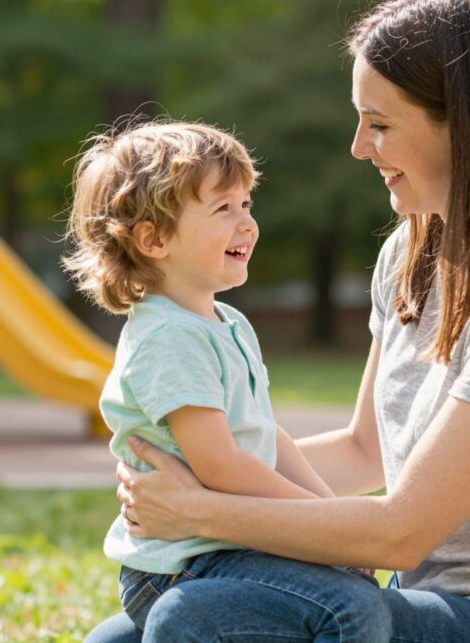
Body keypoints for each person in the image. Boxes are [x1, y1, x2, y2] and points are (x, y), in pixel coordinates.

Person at [88, 0, 470, 643]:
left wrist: (200, 509)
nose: (357, 147)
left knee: (194, 617)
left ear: (465, 129)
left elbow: (401, 532)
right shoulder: (410, 254)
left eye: (379, 124)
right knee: (116, 639)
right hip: (425, 603)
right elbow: (364, 451)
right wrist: (185, 468)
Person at [65, 120, 391, 641]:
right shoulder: (168, 338)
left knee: (352, 590)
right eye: (223, 209)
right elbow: (221, 465)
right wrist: (329, 531)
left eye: (247, 205)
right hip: (183, 562)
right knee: (349, 607)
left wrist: (333, 519)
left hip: (227, 545)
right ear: (153, 239)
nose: (247, 224)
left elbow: (269, 436)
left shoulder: (227, 323)